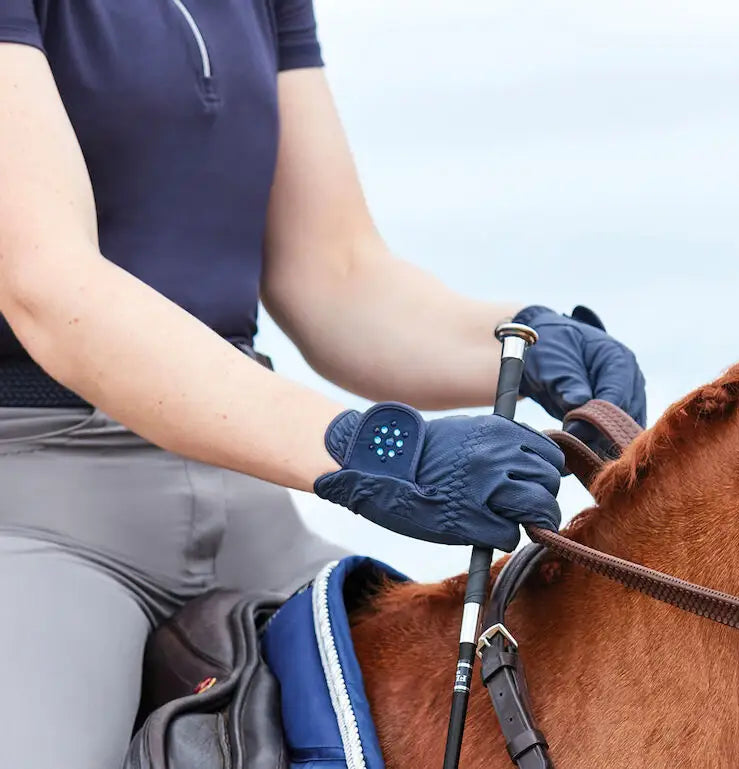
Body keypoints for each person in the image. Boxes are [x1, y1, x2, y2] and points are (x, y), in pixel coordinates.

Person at [0, 1, 646, 767]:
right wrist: (376, 451)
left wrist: (523, 342)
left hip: (246, 499)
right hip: (37, 511)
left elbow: (333, 273)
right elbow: (48, 288)